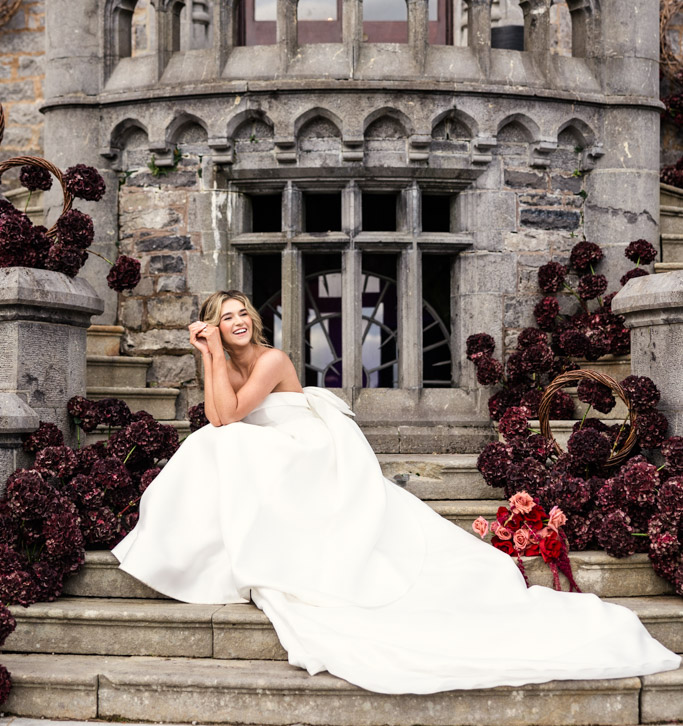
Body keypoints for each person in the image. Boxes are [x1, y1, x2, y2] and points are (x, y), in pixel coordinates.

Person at [112, 290, 681, 695]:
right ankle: (196, 554)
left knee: (221, 445)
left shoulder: (270, 358)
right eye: (223, 318)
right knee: (212, 447)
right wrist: (208, 354)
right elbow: (216, 416)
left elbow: (227, 417)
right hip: (269, 447)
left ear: (252, 321)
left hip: (306, 448)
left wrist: (214, 356)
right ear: (211, 325)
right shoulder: (225, 359)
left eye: (241, 315)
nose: (236, 322)